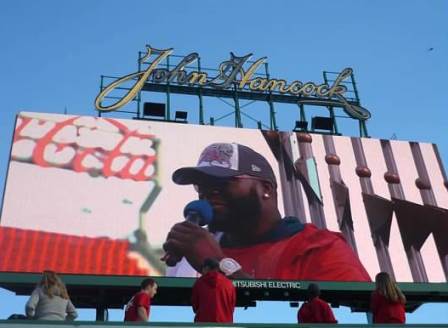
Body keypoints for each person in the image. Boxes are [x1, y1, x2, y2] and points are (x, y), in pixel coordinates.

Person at [163, 142, 371, 281]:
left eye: (223, 182)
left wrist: (220, 266)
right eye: (202, 185)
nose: (208, 193)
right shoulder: (192, 251)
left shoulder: (318, 248)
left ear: (266, 189)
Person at [191, 258, 236, 323]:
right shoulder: (229, 284)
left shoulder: (199, 283)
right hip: (225, 324)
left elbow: (195, 307)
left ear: (206, 268)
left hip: (203, 323)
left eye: (202, 269)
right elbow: (231, 307)